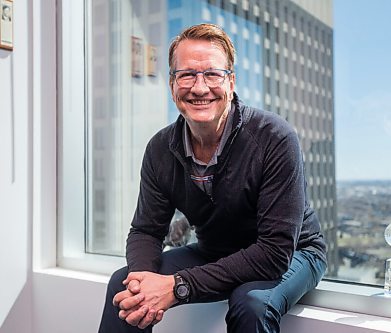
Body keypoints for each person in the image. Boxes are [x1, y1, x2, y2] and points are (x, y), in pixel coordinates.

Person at [98, 23, 327, 333]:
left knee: (251, 304)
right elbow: (146, 231)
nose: (200, 87)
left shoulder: (275, 137)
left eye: (212, 74)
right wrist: (143, 283)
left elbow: (274, 253)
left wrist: (178, 286)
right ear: (172, 84)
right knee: (123, 287)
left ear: (230, 82)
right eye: (187, 74)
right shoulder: (160, 148)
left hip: (292, 253)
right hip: (215, 248)